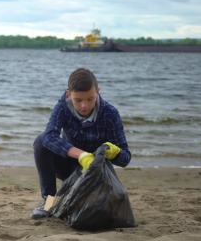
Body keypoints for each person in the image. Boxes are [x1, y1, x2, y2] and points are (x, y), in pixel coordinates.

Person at [31, 67, 131, 219]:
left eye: (90, 99)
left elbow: (126, 159)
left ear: (98, 91)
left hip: (96, 172)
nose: (84, 106)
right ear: (68, 94)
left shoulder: (110, 113)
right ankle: (49, 201)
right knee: (40, 141)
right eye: (78, 100)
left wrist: (115, 152)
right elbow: (49, 137)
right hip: (68, 166)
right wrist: (81, 155)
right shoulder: (63, 107)